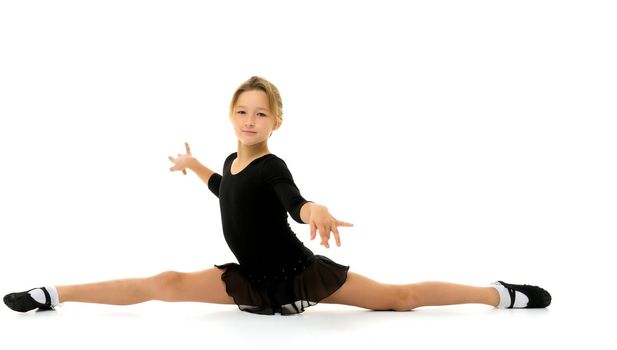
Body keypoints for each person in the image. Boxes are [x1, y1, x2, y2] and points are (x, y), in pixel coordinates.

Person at [4, 76, 551, 315]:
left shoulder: (272, 164)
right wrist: (196, 166)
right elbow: (227, 191)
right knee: (164, 283)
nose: (250, 119)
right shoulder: (231, 161)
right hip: (247, 279)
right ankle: (55, 292)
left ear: (277, 120)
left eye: (260, 112)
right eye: (242, 111)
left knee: (399, 299)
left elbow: (293, 202)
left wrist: (318, 211)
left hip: (296, 272)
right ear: (230, 115)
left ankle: (498, 294)